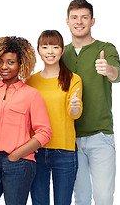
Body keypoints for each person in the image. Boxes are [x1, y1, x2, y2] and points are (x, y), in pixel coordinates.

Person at [0, 36, 52, 205]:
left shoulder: (31, 94)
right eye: (0, 62)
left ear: (21, 64)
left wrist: (16, 155)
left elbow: (45, 132)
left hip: (19, 162)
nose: (4, 67)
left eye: (10, 62)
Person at [62, 0, 120, 205]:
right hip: (70, 138)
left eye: (84, 17)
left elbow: (117, 74)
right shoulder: (62, 53)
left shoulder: (105, 48)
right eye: (75, 18)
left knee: (104, 198)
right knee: (80, 198)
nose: (79, 22)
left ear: (92, 21)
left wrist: (109, 70)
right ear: (67, 22)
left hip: (100, 135)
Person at [27, 30, 83, 205]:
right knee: (39, 202)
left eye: (55, 47)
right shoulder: (30, 81)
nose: (50, 52)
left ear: (62, 50)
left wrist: (75, 107)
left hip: (65, 151)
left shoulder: (73, 79)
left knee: (63, 202)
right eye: (45, 47)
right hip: (36, 150)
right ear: (39, 50)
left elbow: (75, 113)